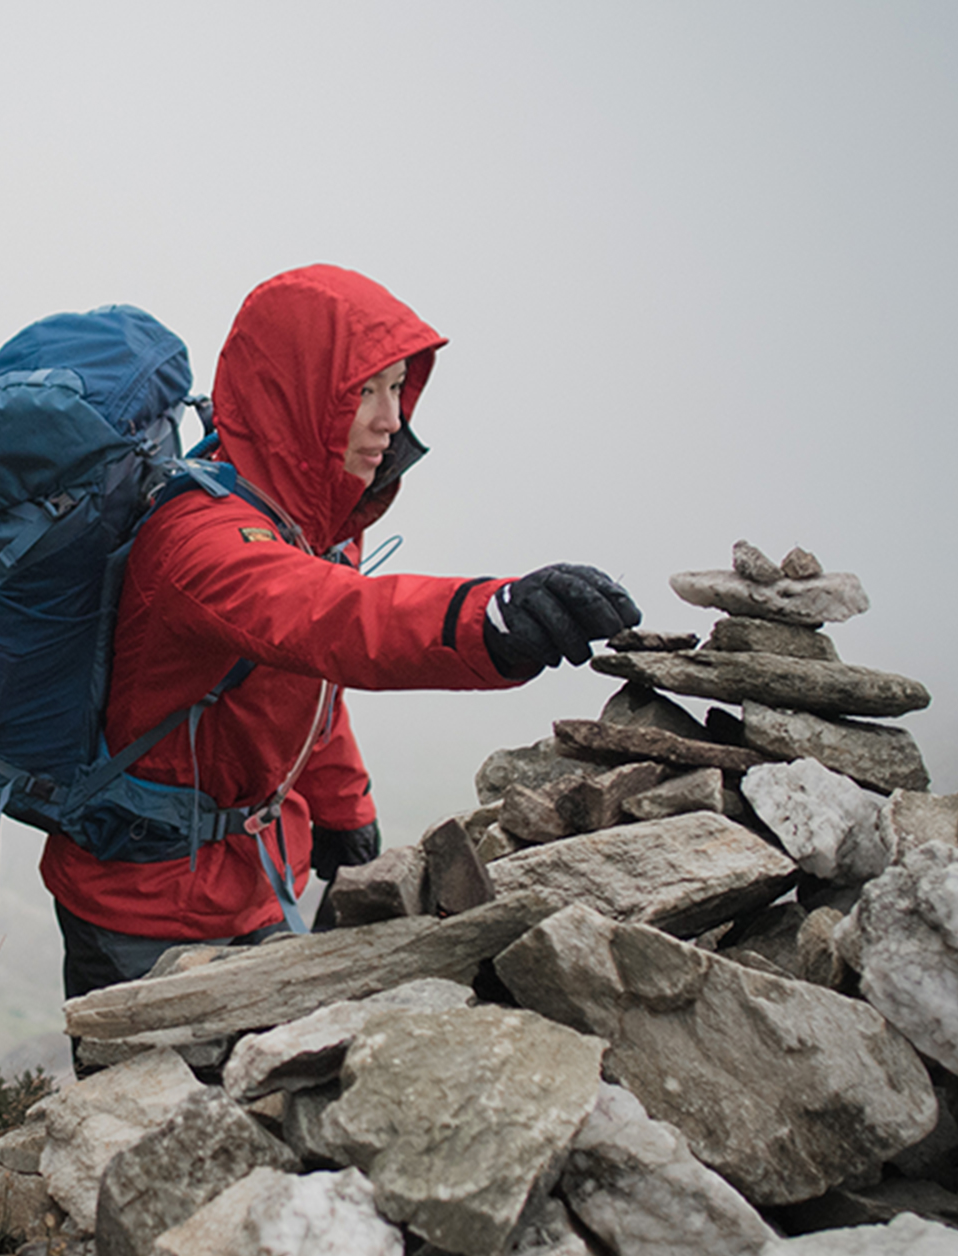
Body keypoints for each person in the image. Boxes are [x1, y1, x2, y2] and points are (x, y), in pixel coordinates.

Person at [40, 264, 639, 1008]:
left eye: (397, 387)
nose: (392, 419)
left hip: (260, 879)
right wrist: (493, 618)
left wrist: (342, 806)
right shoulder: (198, 539)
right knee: (147, 1119)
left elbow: (304, 682)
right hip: (144, 907)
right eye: (365, 391)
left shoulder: (315, 529)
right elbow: (331, 622)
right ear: (301, 394)